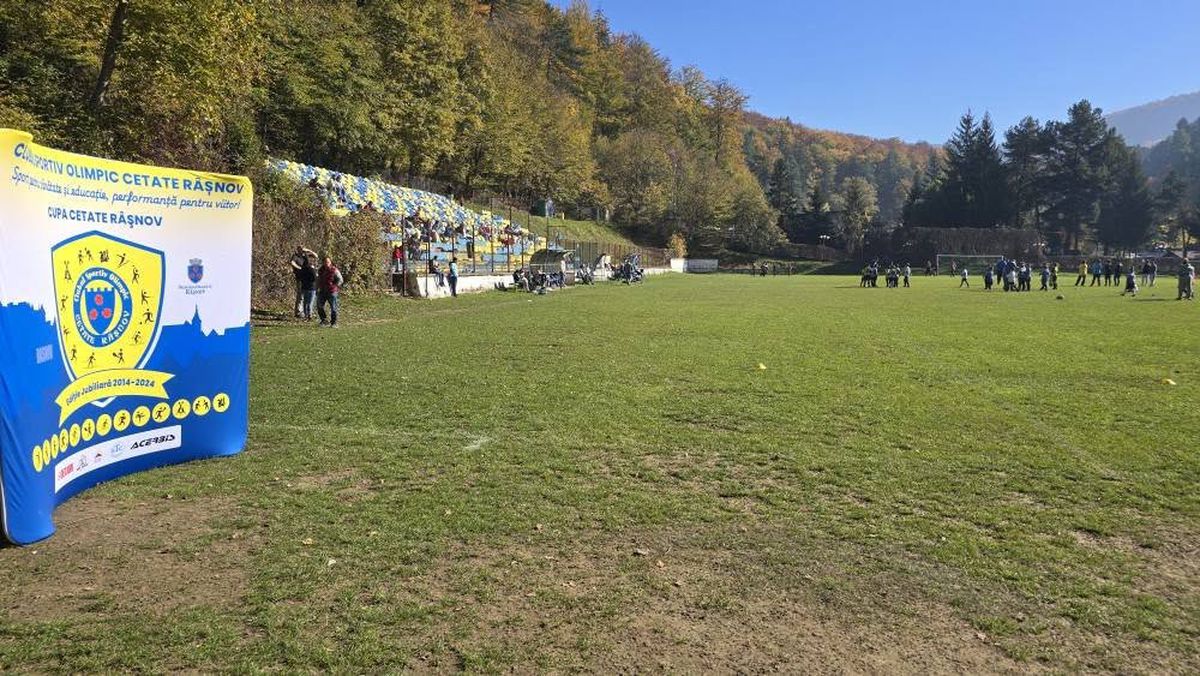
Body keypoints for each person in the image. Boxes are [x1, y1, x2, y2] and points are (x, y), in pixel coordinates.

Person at [289, 245, 316, 318]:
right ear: (297, 249)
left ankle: (307, 312)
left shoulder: (305, 255)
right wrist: (300, 268)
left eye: (302, 249)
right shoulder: (295, 256)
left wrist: (308, 250)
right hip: (300, 278)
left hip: (307, 279)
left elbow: (316, 256)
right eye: (299, 249)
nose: (301, 250)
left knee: (308, 296)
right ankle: (298, 312)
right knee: (300, 295)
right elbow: (292, 262)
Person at [316, 256, 343, 327]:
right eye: (325, 262)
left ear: (330, 262)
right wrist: (317, 288)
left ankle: (334, 323)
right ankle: (324, 320)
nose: (326, 263)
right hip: (322, 291)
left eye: (328, 262)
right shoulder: (320, 270)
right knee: (319, 306)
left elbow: (340, 280)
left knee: (333, 308)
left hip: (332, 291)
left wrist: (335, 286)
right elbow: (318, 280)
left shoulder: (334, 270)